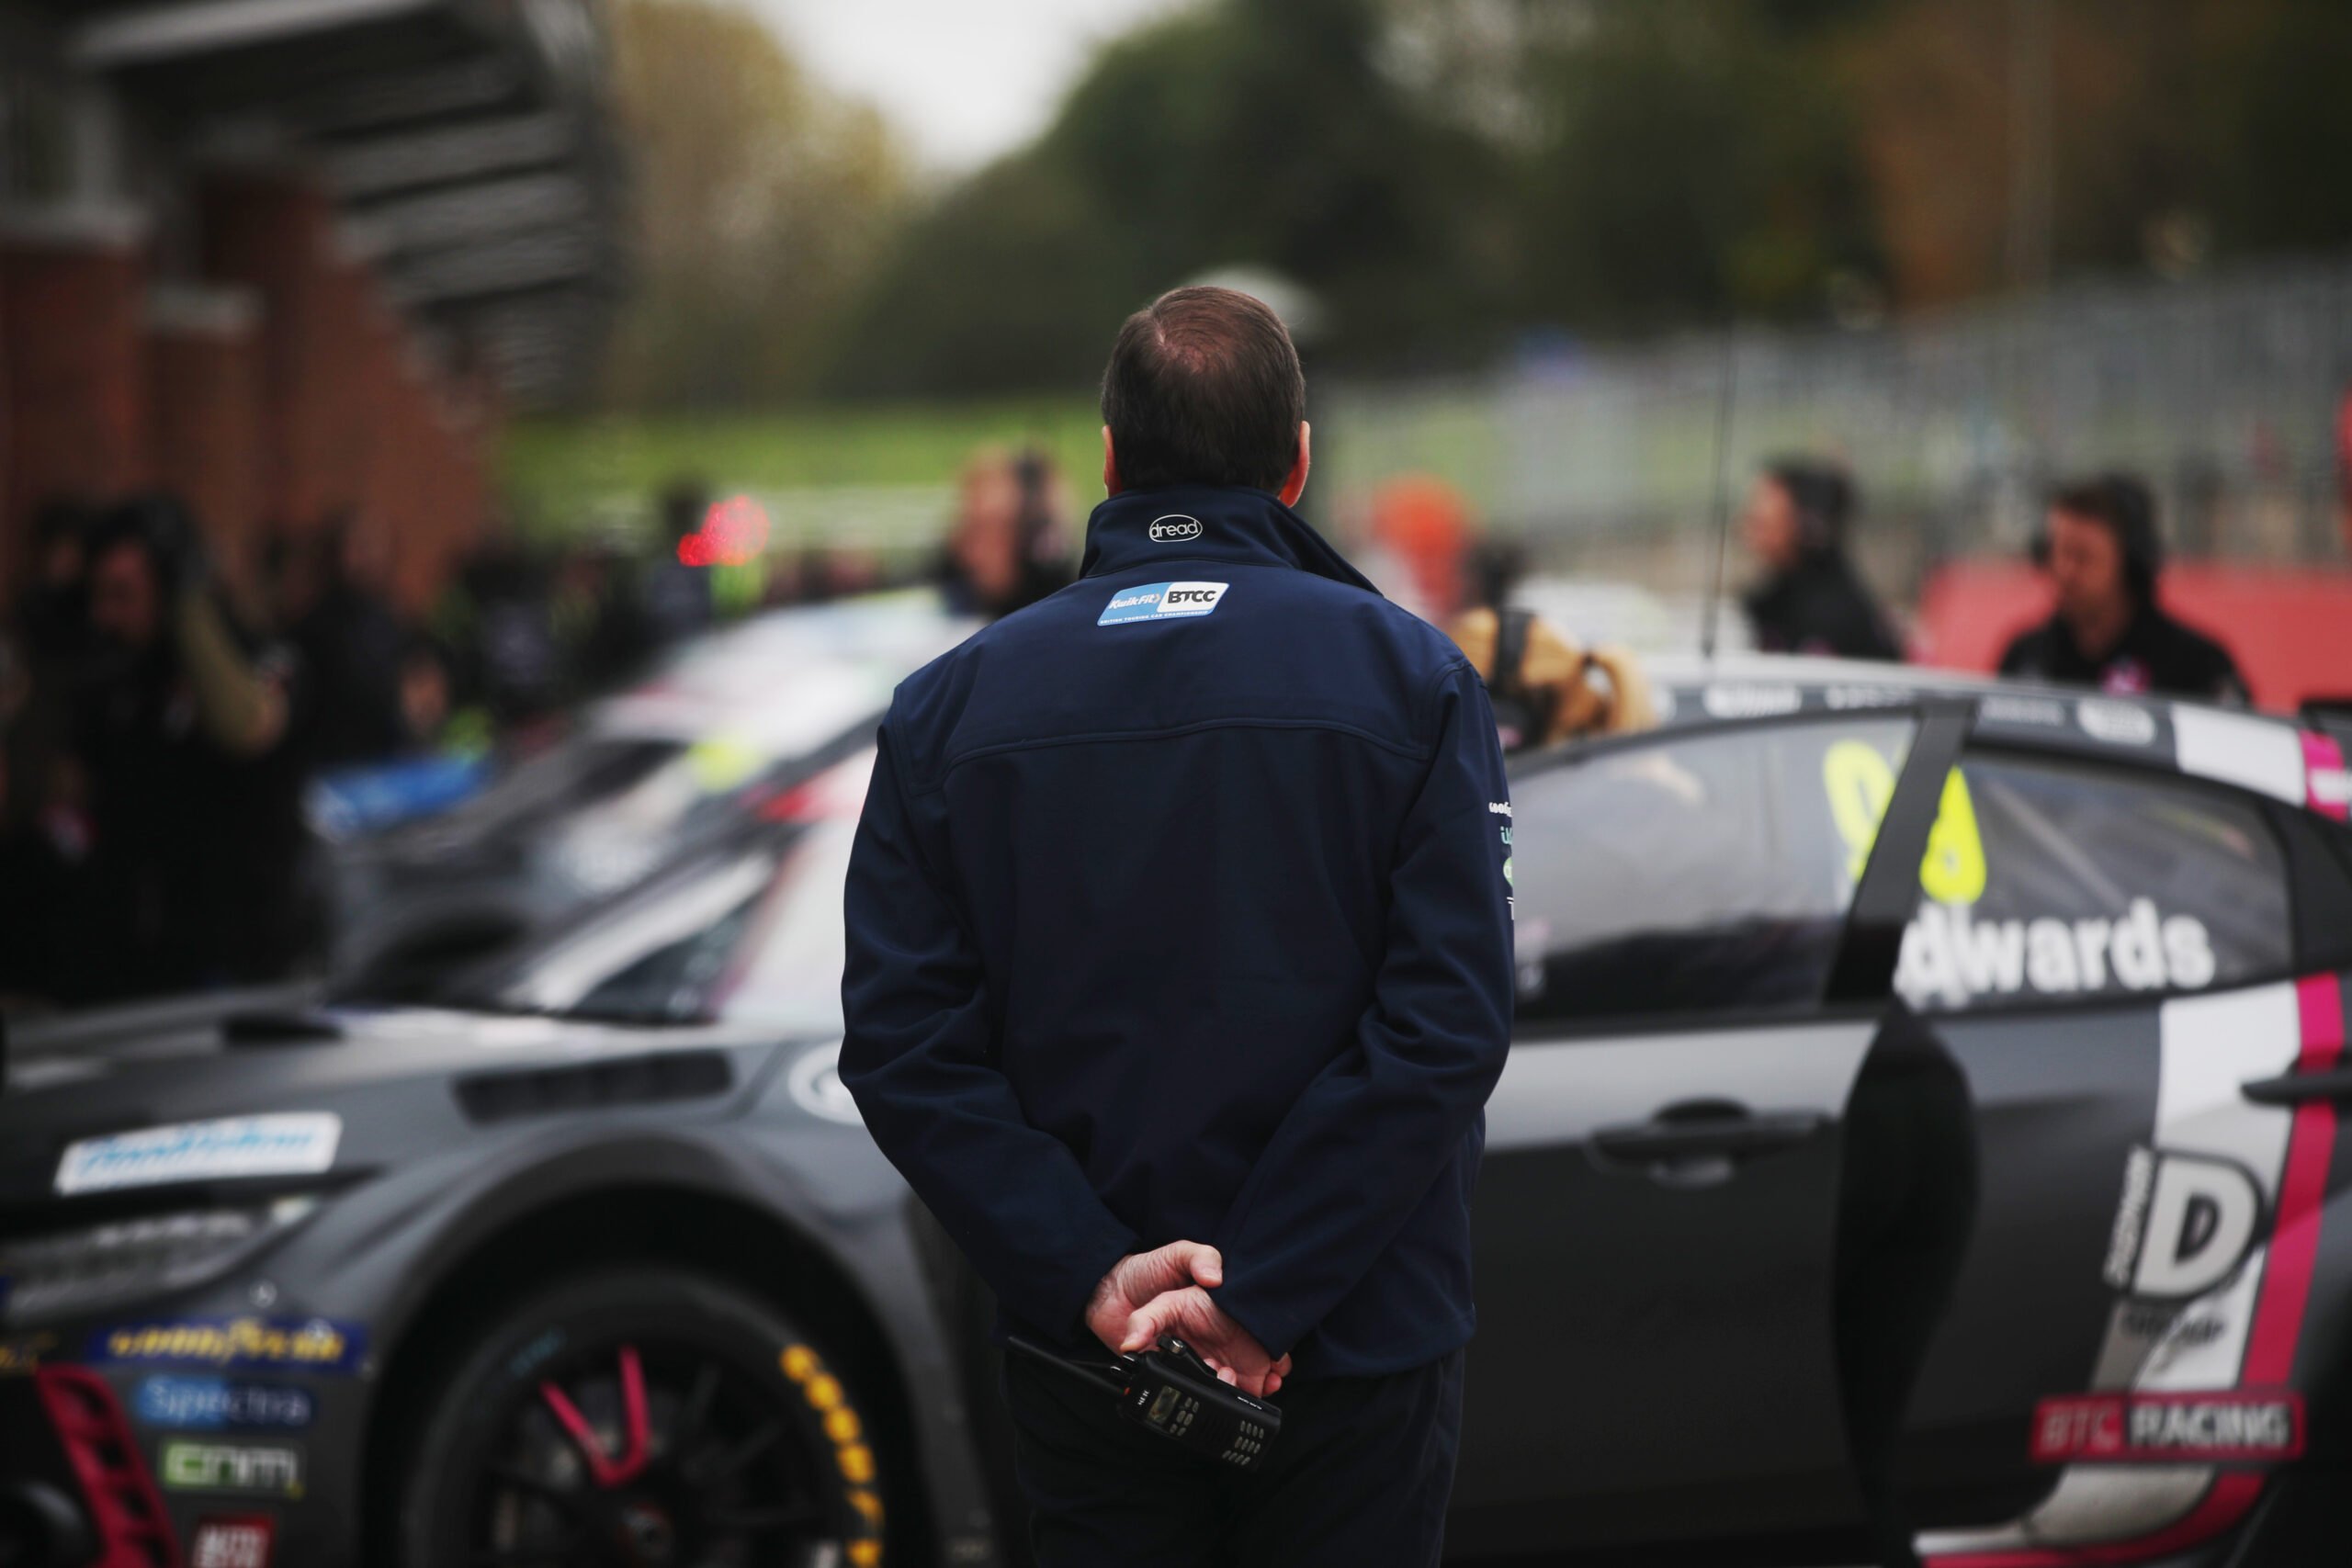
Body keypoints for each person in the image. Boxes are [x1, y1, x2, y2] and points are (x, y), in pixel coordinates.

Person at [840, 286, 1514, 1568]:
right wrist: (1260, 1292)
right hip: (1357, 1342)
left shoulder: (946, 710)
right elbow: (1447, 1024)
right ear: (1297, 462)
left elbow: (902, 1043)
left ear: (1108, 459)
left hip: (1091, 1354)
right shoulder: (1413, 680)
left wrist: (1093, 1272)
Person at [73, 495, 307, 996]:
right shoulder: (123, 679)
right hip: (142, 958)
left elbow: (245, 726)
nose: (106, 615)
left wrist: (189, 607)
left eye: (123, 594)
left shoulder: (257, 656)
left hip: (240, 957)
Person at [1998, 474, 2247, 703]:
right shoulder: (2025, 659)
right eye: (2058, 553)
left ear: (2129, 565)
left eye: (2083, 557)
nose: (2065, 571)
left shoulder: (2197, 666)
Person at [1740, 457, 1903, 660]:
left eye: (1762, 522)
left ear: (1806, 522)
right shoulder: (1775, 599)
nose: (1750, 519)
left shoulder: (1835, 616)